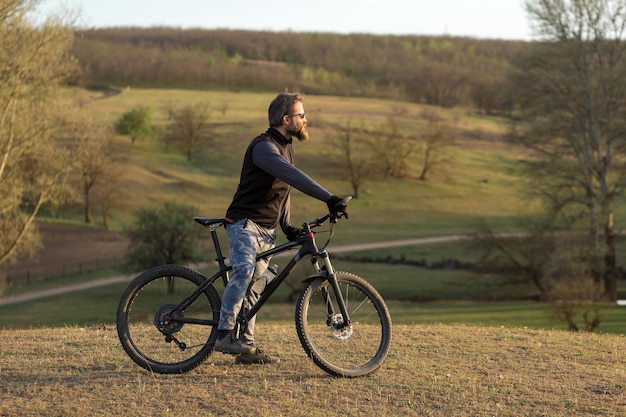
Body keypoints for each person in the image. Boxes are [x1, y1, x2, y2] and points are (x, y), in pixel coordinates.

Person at [214, 92, 346, 364]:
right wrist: (329, 198)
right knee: (244, 272)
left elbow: (283, 192)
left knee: (256, 288)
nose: (305, 119)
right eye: (301, 115)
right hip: (244, 226)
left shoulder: (286, 147)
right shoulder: (263, 147)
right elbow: (293, 177)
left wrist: (287, 226)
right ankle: (225, 333)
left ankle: (246, 348)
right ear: (286, 119)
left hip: (267, 231)